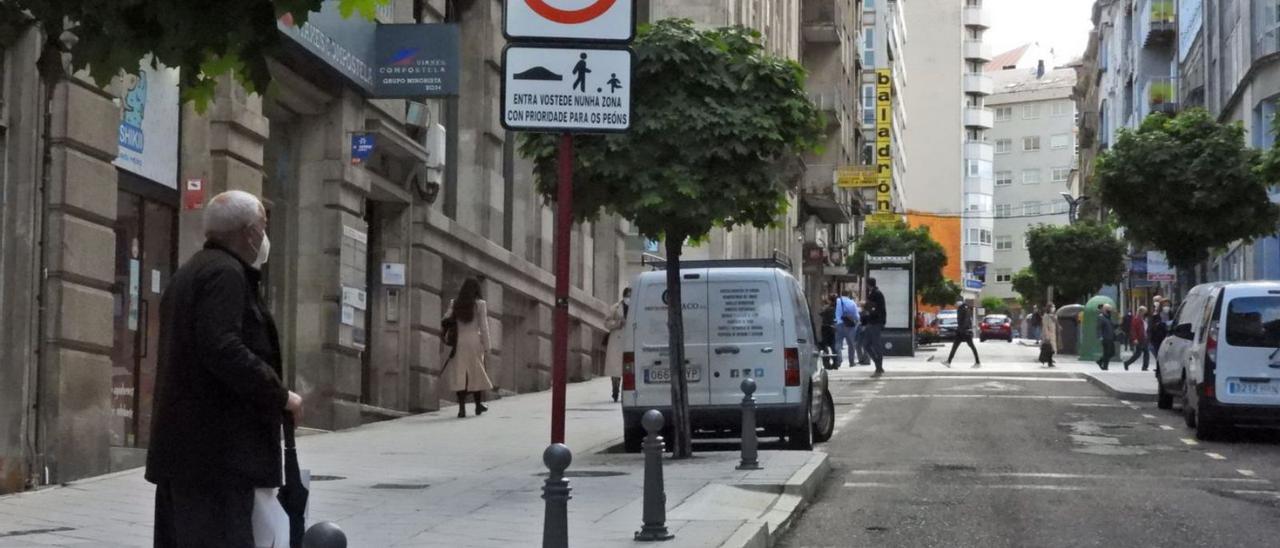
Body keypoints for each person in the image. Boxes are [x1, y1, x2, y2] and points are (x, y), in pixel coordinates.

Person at [147, 191, 304, 548]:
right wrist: (280, 396)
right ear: (249, 233)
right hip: (216, 459)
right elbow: (224, 348)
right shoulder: (225, 275)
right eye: (263, 227)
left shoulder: (191, 272)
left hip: (189, 455)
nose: (266, 237)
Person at [445, 278, 495, 418]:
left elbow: (446, 319)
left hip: (459, 342)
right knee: (476, 373)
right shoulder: (480, 304)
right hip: (474, 342)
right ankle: (478, 406)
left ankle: (461, 409)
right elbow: (484, 327)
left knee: (460, 374)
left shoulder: (454, 303)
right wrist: (487, 346)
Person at [603, 287, 631, 402]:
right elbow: (607, 322)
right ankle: (615, 390)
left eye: (630, 295)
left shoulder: (637, 306)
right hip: (617, 340)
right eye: (627, 295)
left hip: (630, 339)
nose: (629, 298)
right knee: (615, 368)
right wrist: (618, 323)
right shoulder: (615, 307)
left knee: (629, 368)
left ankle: (627, 391)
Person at [944, 299, 981, 368]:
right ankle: (948, 361)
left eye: (955, 303)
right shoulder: (960, 308)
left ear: (959, 302)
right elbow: (960, 321)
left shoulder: (965, 309)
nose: (954, 304)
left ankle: (978, 362)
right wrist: (959, 329)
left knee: (972, 346)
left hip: (965, 331)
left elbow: (966, 320)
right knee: (954, 346)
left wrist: (963, 329)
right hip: (960, 332)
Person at [863, 278, 887, 374]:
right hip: (872, 322)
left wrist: (866, 307)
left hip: (875, 322)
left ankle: (879, 366)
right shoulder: (874, 293)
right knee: (867, 344)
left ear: (868, 284)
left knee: (876, 345)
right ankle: (878, 364)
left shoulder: (876, 294)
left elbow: (875, 309)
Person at [833, 291, 862, 367]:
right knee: (851, 344)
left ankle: (839, 360)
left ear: (841, 294)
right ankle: (851, 362)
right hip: (849, 326)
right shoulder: (852, 303)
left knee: (838, 343)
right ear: (849, 295)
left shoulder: (837, 301)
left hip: (839, 324)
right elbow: (856, 316)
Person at [1123, 306, 1150, 371]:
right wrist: (1135, 338)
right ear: (1141, 311)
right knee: (1138, 354)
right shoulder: (1136, 319)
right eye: (1144, 312)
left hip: (1144, 338)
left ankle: (1144, 367)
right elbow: (1133, 330)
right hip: (1139, 339)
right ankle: (1127, 363)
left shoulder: (1142, 319)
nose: (1145, 313)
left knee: (1145, 353)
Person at [819, 295, 838, 370]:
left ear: (830, 300)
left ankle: (827, 363)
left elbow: (821, 313)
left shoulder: (829, 308)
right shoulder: (836, 308)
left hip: (826, 327)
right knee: (833, 346)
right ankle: (835, 363)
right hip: (832, 327)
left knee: (824, 345)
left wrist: (825, 306)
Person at [1097, 303, 1117, 371]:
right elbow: (1099, 328)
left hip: (1110, 337)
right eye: (1109, 309)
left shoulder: (1109, 317)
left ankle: (1100, 361)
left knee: (1112, 353)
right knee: (1107, 352)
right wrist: (1100, 336)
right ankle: (1105, 366)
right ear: (1105, 310)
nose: (1110, 311)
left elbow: (1112, 325)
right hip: (1105, 337)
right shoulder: (1101, 317)